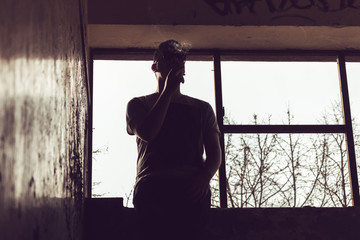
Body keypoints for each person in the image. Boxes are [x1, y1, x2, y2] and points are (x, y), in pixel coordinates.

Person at [126, 40, 221, 240]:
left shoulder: (202, 108)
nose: (176, 62)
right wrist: (168, 92)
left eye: (180, 58)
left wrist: (204, 177)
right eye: (168, 57)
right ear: (155, 66)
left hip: (191, 189)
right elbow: (148, 132)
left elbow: (214, 152)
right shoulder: (138, 104)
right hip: (152, 188)